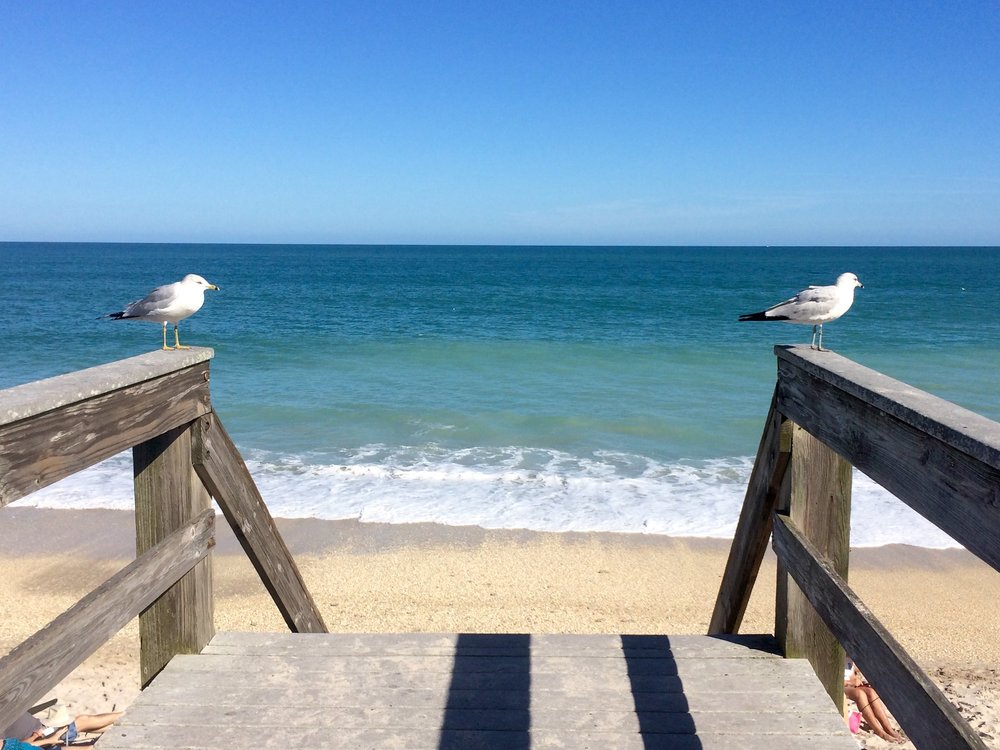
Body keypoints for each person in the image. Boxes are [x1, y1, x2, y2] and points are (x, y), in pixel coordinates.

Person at [844, 659, 906, 743]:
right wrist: (851, 682)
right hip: (841, 686)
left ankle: (888, 729)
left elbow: (854, 669)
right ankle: (879, 731)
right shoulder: (835, 653)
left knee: (871, 692)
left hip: (852, 685)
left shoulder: (849, 655)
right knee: (860, 694)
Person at [3, 706, 122, 748]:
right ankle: (127, 715)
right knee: (82, 722)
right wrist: (45, 739)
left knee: (81, 723)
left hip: (41, 732)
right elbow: (16, 748)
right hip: (41, 740)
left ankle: (124, 722)